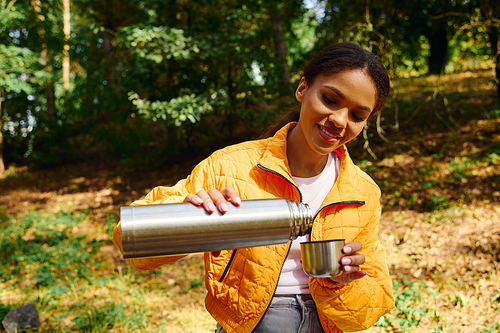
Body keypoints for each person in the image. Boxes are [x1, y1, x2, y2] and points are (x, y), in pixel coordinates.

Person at [113, 42, 395, 333]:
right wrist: (189, 212)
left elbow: (377, 299)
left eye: (357, 116)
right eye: (330, 99)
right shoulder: (230, 166)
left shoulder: (363, 192)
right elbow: (131, 242)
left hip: (327, 323)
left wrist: (343, 284)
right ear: (302, 88)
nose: (339, 120)